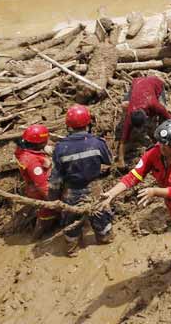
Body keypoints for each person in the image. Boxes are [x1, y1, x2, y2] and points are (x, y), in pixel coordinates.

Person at [101, 119, 171, 281]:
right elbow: (134, 176)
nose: (162, 147)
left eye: (167, 145)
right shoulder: (154, 152)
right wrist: (112, 193)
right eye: (160, 143)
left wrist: (154, 191)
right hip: (170, 202)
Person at [49, 105, 113, 256]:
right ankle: (105, 238)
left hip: (71, 191)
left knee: (71, 220)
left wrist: (53, 198)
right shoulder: (98, 143)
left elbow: (56, 179)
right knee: (101, 215)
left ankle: (72, 250)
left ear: (68, 125)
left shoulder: (60, 148)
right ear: (88, 123)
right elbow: (109, 161)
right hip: (94, 187)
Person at [118, 75, 171, 169]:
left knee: (163, 113)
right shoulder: (129, 114)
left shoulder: (154, 104)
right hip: (137, 82)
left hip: (155, 82)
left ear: (146, 116)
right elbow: (123, 140)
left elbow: (169, 118)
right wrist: (120, 160)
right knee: (124, 105)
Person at [14, 124, 58, 237]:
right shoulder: (32, 162)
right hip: (38, 191)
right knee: (47, 213)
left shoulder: (25, 148)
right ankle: (38, 236)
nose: (46, 142)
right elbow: (42, 185)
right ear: (38, 143)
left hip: (33, 186)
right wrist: (53, 201)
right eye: (44, 141)